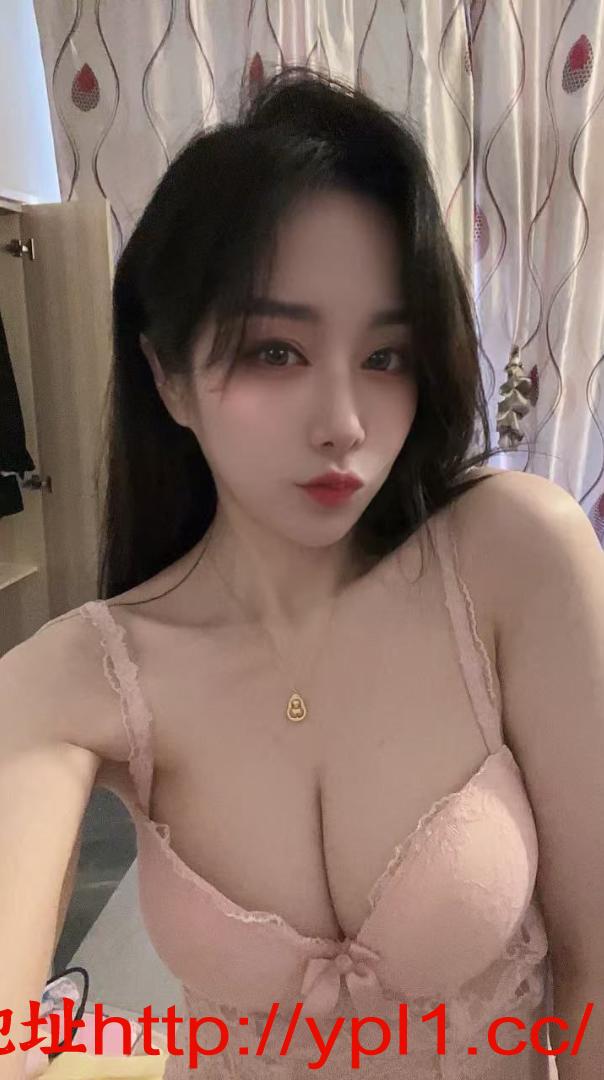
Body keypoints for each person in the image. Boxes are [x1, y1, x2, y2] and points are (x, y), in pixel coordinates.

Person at [1, 66, 602, 1080]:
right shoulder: (86, 674)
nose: (344, 424)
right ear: (167, 376)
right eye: (275, 352)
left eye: (386, 356)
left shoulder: (513, 559)